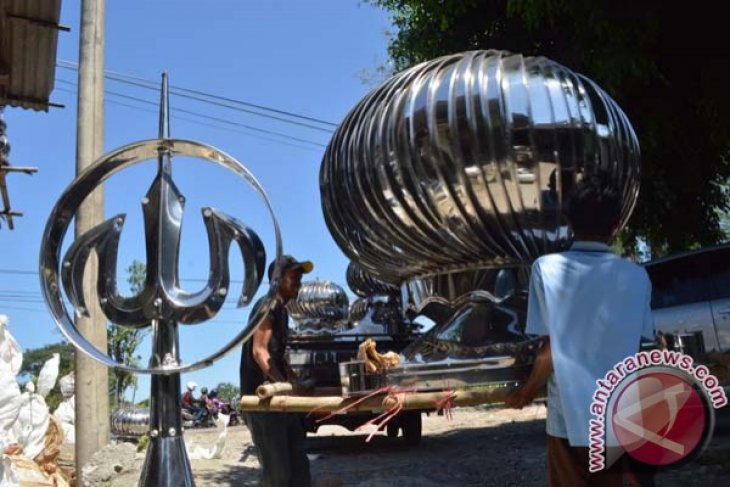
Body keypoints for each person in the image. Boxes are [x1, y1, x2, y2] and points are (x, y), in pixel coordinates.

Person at [505, 172, 655, 486]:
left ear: (570, 223)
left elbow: (549, 354)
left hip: (568, 422)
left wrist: (525, 393)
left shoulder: (546, 269)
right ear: (616, 226)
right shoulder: (637, 277)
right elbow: (640, 354)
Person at [240, 255, 314, 487]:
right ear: (278, 279)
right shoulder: (268, 306)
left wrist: (295, 381)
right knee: (278, 475)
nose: (299, 282)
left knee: (300, 471)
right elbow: (260, 352)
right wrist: (285, 386)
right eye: (294, 276)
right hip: (262, 403)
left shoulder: (282, 311)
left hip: (280, 402)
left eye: (300, 277)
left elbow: (277, 356)